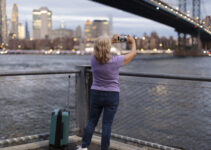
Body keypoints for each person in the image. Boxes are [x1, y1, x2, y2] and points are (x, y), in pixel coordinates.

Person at [77, 34, 136, 150]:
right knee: (106, 125)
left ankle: (84, 147)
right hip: (112, 95)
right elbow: (133, 53)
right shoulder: (116, 61)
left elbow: (101, 47)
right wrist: (132, 42)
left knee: (91, 122)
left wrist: (109, 42)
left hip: (96, 94)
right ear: (108, 47)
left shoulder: (93, 59)